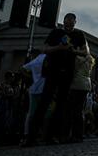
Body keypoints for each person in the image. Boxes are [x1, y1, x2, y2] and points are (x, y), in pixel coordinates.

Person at [23, 12, 86, 145]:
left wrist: (74, 51)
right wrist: (59, 47)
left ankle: (52, 136)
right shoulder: (56, 33)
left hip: (67, 73)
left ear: (75, 22)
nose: (68, 24)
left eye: (71, 22)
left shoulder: (79, 35)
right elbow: (44, 49)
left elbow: (85, 52)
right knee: (44, 103)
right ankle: (32, 137)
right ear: (63, 22)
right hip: (53, 72)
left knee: (61, 106)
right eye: (66, 21)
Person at [68, 41, 94, 142]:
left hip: (77, 84)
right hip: (86, 84)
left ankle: (75, 134)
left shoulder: (78, 58)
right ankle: (80, 134)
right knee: (80, 110)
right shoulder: (89, 58)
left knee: (74, 110)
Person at [21, 52, 47, 138]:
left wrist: (30, 76)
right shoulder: (48, 58)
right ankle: (40, 133)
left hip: (33, 88)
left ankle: (27, 133)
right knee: (44, 112)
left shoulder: (36, 60)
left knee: (31, 112)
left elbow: (22, 68)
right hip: (43, 88)